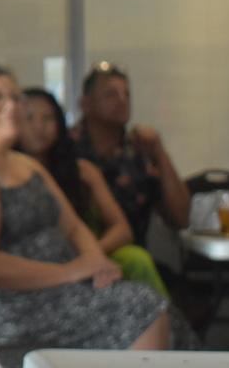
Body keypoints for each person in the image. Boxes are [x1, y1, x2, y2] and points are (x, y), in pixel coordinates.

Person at [0, 62, 169, 365]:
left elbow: (72, 226)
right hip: (11, 305)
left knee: (147, 301)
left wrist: (96, 262)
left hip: (61, 286)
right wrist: (72, 271)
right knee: (141, 307)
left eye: (16, 97)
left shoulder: (25, 164)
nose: (12, 106)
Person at [19, 88, 169, 298]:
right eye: (29, 118)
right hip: (34, 267)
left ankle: (163, 325)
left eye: (48, 118)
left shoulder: (82, 171)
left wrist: (90, 256)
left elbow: (122, 229)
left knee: (136, 258)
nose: (39, 126)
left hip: (91, 255)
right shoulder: (5, 178)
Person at [72, 62, 191, 245]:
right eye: (111, 94)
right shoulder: (66, 148)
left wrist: (159, 153)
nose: (122, 100)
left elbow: (181, 219)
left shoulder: (140, 151)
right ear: (85, 103)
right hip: (73, 260)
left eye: (127, 94)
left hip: (133, 261)